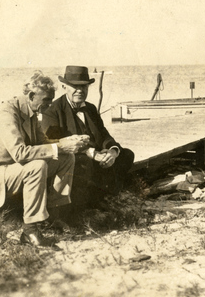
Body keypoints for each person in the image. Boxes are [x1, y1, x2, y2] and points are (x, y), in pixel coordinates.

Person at [0, 71, 88, 247]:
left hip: (12, 170)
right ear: (31, 95)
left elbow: (42, 143)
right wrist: (59, 146)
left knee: (66, 158)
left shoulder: (30, 110)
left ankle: (53, 216)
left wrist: (66, 142)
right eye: (46, 100)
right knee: (37, 166)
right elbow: (20, 153)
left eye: (51, 101)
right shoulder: (6, 113)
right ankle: (30, 230)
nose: (49, 105)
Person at [41, 65, 135, 206]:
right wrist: (91, 153)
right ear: (64, 86)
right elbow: (55, 144)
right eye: (74, 86)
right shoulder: (53, 111)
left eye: (84, 86)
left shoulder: (90, 108)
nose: (80, 90)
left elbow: (104, 135)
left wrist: (112, 151)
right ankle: (86, 205)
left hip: (99, 157)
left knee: (126, 155)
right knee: (84, 163)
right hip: (75, 157)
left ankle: (108, 196)